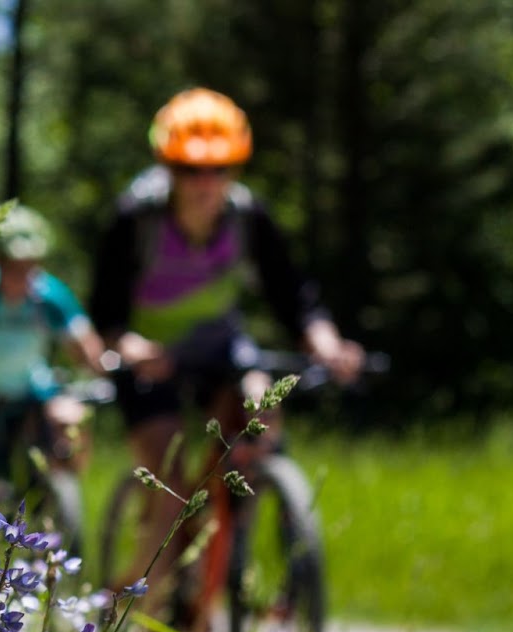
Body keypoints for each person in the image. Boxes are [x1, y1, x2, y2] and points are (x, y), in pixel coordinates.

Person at [88, 87, 362, 603]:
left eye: (221, 168)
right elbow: (104, 316)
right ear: (168, 167)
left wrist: (328, 344)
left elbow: (293, 295)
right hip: (151, 364)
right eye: (191, 169)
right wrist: (132, 346)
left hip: (220, 352)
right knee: (168, 484)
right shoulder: (135, 218)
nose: (206, 182)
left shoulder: (247, 217)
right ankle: (141, 598)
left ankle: (265, 572)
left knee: (264, 413)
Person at [0, 204, 106, 560]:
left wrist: (103, 372)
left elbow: (86, 348)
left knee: (71, 418)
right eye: (14, 264)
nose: (23, 272)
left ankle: (60, 494)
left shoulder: (48, 294)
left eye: (31, 264)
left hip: (33, 391)